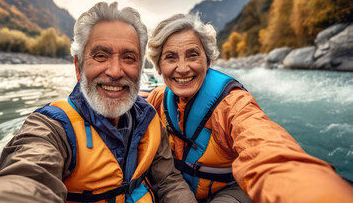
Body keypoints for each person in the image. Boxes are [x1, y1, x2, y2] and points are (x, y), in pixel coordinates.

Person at [0, 2, 197, 203]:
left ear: (139, 68)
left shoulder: (150, 120)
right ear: (78, 67)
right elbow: (26, 178)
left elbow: (169, 182)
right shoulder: (51, 129)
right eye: (101, 56)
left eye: (128, 57)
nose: (115, 71)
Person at [145, 13, 353, 202]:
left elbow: (266, 149)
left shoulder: (233, 105)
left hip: (228, 191)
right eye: (171, 57)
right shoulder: (158, 98)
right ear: (159, 67)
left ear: (207, 62)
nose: (182, 68)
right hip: (177, 188)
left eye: (192, 55)